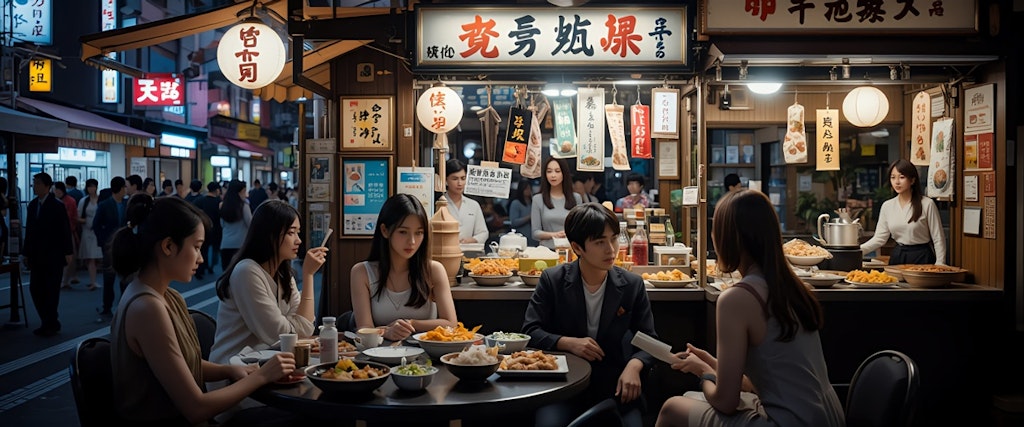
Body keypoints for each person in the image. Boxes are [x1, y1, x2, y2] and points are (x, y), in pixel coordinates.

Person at [656, 190, 844, 427]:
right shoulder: (793, 287)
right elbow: (764, 380)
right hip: (828, 417)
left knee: (671, 409)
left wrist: (703, 373)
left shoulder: (736, 299)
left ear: (729, 239)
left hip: (790, 421)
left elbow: (726, 401)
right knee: (689, 401)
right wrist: (711, 364)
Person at [109, 194, 298, 425]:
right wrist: (262, 375)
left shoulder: (167, 296)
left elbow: (184, 364)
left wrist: (228, 371)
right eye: (197, 247)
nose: (200, 259)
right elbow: (196, 408)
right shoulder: (147, 308)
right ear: (168, 246)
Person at [523, 203, 657, 427]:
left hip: (615, 386)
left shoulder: (632, 284)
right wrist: (568, 343)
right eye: (599, 242)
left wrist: (635, 365)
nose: (611, 249)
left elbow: (650, 340)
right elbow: (529, 332)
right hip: (563, 385)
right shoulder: (552, 280)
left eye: (613, 238)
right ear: (577, 247)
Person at [210, 200, 328, 363]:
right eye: (290, 233)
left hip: (269, 361)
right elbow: (281, 335)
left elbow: (305, 329)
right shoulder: (247, 271)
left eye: (298, 233)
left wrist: (308, 277)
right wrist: (308, 274)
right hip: (233, 366)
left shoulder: (283, 273)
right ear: (269, 234)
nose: (298, 240)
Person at [350, 194, 457, 341]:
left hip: (426, 355)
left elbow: (451, 324)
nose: (412, 241)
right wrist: (387, 332)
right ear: (385, 231)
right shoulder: (361, 273)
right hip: (378, 355)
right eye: (403, 232)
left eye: (419, 233)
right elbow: (363, 329)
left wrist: (411, 323)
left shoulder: (434, 270)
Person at [860, 159, 946, 265]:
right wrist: (858, 251)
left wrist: (940, 263)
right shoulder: (888, 206)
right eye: (893, 177)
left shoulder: (927, 204)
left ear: (912, 180)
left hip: (922, 256)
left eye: (901, 177)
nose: (897, 182)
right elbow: (880, 238)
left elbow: (938, 237)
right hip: (899, 255)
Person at [24, 172, 74, 336]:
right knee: (35, 289)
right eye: (34, 183)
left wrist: (68, 251)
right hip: (37, 255)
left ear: (47, 186)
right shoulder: (32, 205)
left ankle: (49, 322)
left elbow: (65, 230)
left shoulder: (57, 205)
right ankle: (50, 320)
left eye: (38, 183)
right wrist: (26, 253)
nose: (34, 186)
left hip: (54, 254)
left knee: (51, 290)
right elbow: (29, 231)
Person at [93, 176, 129, 316]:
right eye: (124, 187)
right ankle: (107, 306)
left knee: (125, 277)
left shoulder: (127, 204)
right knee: (109, 277)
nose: (126, 189)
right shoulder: (104, 205)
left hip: (124, 245)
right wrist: (103, 241)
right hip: (109, 245)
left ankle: (124, 304)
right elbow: (96, 225)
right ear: (119, 189)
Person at [531, 157, 582, 249]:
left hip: (570, 251)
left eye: (557, 171)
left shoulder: (576, 198)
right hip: (547, 251)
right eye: (549, 171)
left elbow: (580, 228)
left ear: (564, 173)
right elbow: (535, 233)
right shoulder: (538, 199)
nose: (553, 175)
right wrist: (555, 235)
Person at [440, 159, 488, 244]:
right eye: (455, 179)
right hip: (445, 252)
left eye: (463, 178)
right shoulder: (440, 204)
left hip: (469, 253)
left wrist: (472, 240)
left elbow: (483, 232)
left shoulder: (473, 205)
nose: (460, 183)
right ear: (446, 180)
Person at [77, 179, 103, 291]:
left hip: (98, 231)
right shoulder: (84, 201)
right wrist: (86, 222)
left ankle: (93, 280)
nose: (91, 189)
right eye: (89, 187)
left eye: (93, 187)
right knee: (90, 257)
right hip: (87, 231)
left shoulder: (101, 200)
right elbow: (78, 216)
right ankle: (92, 281)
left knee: (97, 256)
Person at [220, 180, 252, 270]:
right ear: (239, 192)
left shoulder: (223, 205)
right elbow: (250, 223)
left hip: (225, 244)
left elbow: (222, 225)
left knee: (226, 275)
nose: (245, 194)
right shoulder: (244, 206)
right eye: (244, 191)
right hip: (240, 245)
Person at [194, 181, 223, 278]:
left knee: (204, 249)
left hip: (204, 228)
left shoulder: (201, 200)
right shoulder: (218, 202)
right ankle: (211, 266)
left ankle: (201, 269)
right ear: (217, 190)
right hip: (216, 229)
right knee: (215, 249)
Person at [54, 182, 80, 290]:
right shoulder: (53, 201)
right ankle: (62, 280)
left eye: (58, 190)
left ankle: (65, 280)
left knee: (69, 257)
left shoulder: (70, 201)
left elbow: (74, 217)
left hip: (69, 231)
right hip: (56, 233)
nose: (57, 192)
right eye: (55, 190)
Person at [508, 178, 538, 247]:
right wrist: (529, 217)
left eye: (530, 189)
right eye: (526, 189)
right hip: (521, 238)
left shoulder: (533, 203)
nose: (528, 191)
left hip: (534, 239)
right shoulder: (516, 203)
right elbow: (514, 222)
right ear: (521, 189)